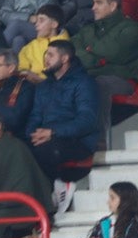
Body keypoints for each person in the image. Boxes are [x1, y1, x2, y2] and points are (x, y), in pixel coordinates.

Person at [25, 39, 99, 180]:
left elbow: (87, 121)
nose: (46, 58)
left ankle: (54, 190)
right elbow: (35, 116)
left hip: (77, 141)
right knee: (17, 151)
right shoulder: (44, 86)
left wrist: (53, 132)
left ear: (64, 58)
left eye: (51, 55)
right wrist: (32, 134)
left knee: (44, 152)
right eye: (46, 54)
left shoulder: (84, 82)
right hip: (44, 137)